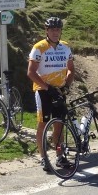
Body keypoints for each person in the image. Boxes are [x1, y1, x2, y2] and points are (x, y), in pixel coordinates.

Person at [27, 16, 74, 172]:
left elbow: (71, 69)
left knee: (59, 125)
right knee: (43, 124)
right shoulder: (39, 47)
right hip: (43, 91)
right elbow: (31, 73)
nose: (55, 32)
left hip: (59, 90)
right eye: (52, 29)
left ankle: (60, 157)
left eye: (58, 29)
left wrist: (66, 85)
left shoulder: (65, 47)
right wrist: (48, 88)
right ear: (46, 30)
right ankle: (43, 158)